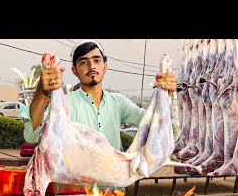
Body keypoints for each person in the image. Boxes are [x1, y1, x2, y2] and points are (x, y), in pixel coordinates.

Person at [22, 40, 177, 151]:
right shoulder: (66, 103)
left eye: (96, 60)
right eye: (83, 62)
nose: (91, 66)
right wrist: (41, 92)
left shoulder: (119, 103)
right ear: (75, 71)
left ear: (105, 66)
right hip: (79, 192)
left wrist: (167, 95)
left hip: (114, 193)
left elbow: (156, 127)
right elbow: (33, 136)